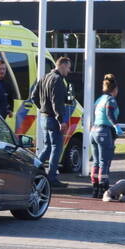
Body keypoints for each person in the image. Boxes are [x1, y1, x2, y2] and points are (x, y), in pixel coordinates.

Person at [36, 56, 73, 188]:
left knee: (47, 147)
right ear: (62, 65)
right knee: (57, 147)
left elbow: (34, 96)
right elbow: (56, 102)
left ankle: (33, 171)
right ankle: (51, 177)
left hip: (44, 117)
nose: (68, 71)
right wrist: (61, 120)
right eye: (68, 67)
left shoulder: (44, 77)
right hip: (53, 118)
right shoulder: (58, 80)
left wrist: (42, 108)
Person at [89, 74, 121, 198]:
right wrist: (116, 126)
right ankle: (103, 188)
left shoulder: (99, 99)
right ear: (115, 89)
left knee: (96, 161)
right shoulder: (111, 100)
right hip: (104, 131)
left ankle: (95, 188)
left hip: (94, 131)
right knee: (105, 161)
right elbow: (109, 113)